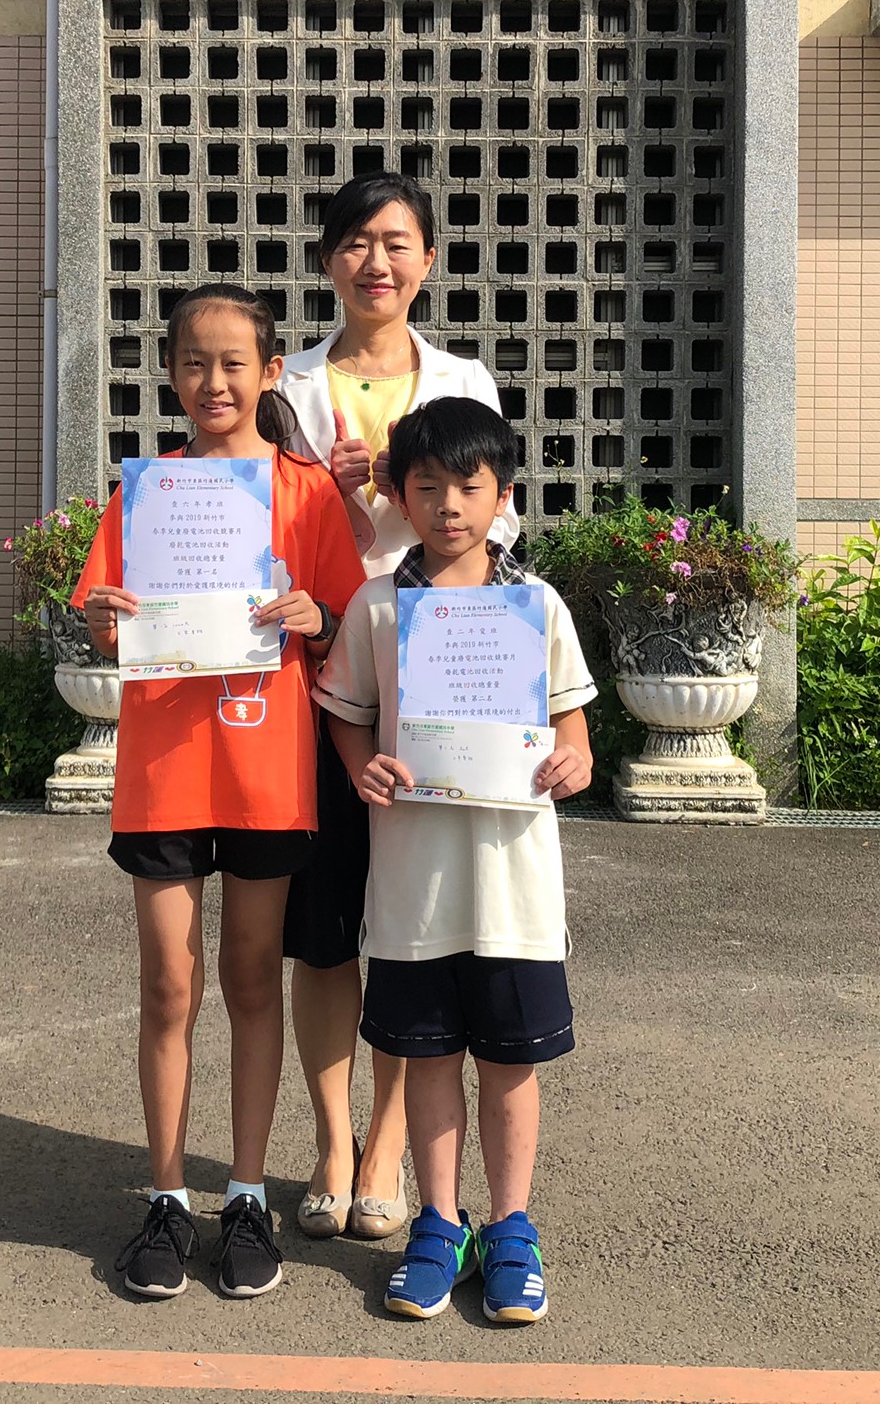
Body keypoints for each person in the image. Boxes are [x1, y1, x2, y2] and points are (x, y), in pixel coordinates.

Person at [69, 284, 364, 1303]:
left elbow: (347, 623)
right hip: (162, 775)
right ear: (169, 373)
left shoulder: (306, 491)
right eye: (194, 362)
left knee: (248, 980)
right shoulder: (148, 492)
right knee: (167, 984)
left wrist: (317, 614)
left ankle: (243, 1194)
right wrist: (104, 617)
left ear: (271, 370)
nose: (214, 381)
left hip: (266, 773)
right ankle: (165, 1195)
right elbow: (106, 616)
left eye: (234, 362)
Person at [274, 171, 520, 1242]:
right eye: (356, 242)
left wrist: (408, 495)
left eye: (397, 241)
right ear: (328, 258)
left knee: (412, 929)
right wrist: (326, 496)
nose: (376, 261)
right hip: (319, 678)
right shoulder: (287, 383)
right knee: (326, 928)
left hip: (439, 683)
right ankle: (332, 1142)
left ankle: (384, 1149)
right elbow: (268, 527)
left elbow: (498, 523)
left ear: (428, 259)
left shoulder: (464, 378)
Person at [314, 397, 595, 1326]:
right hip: (414, 891)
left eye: (468, 487)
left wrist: (575, 761)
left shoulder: (536, 605)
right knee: (428, 1058)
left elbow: (574, 728)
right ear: (398, 496)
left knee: (510, 1065)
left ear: (502, 495)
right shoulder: (379, 607)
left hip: (514, 889)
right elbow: (346, 714)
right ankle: (440, 1224)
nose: (447, 507)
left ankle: (512, 1227)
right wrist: (363, 768)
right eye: (426, 487)